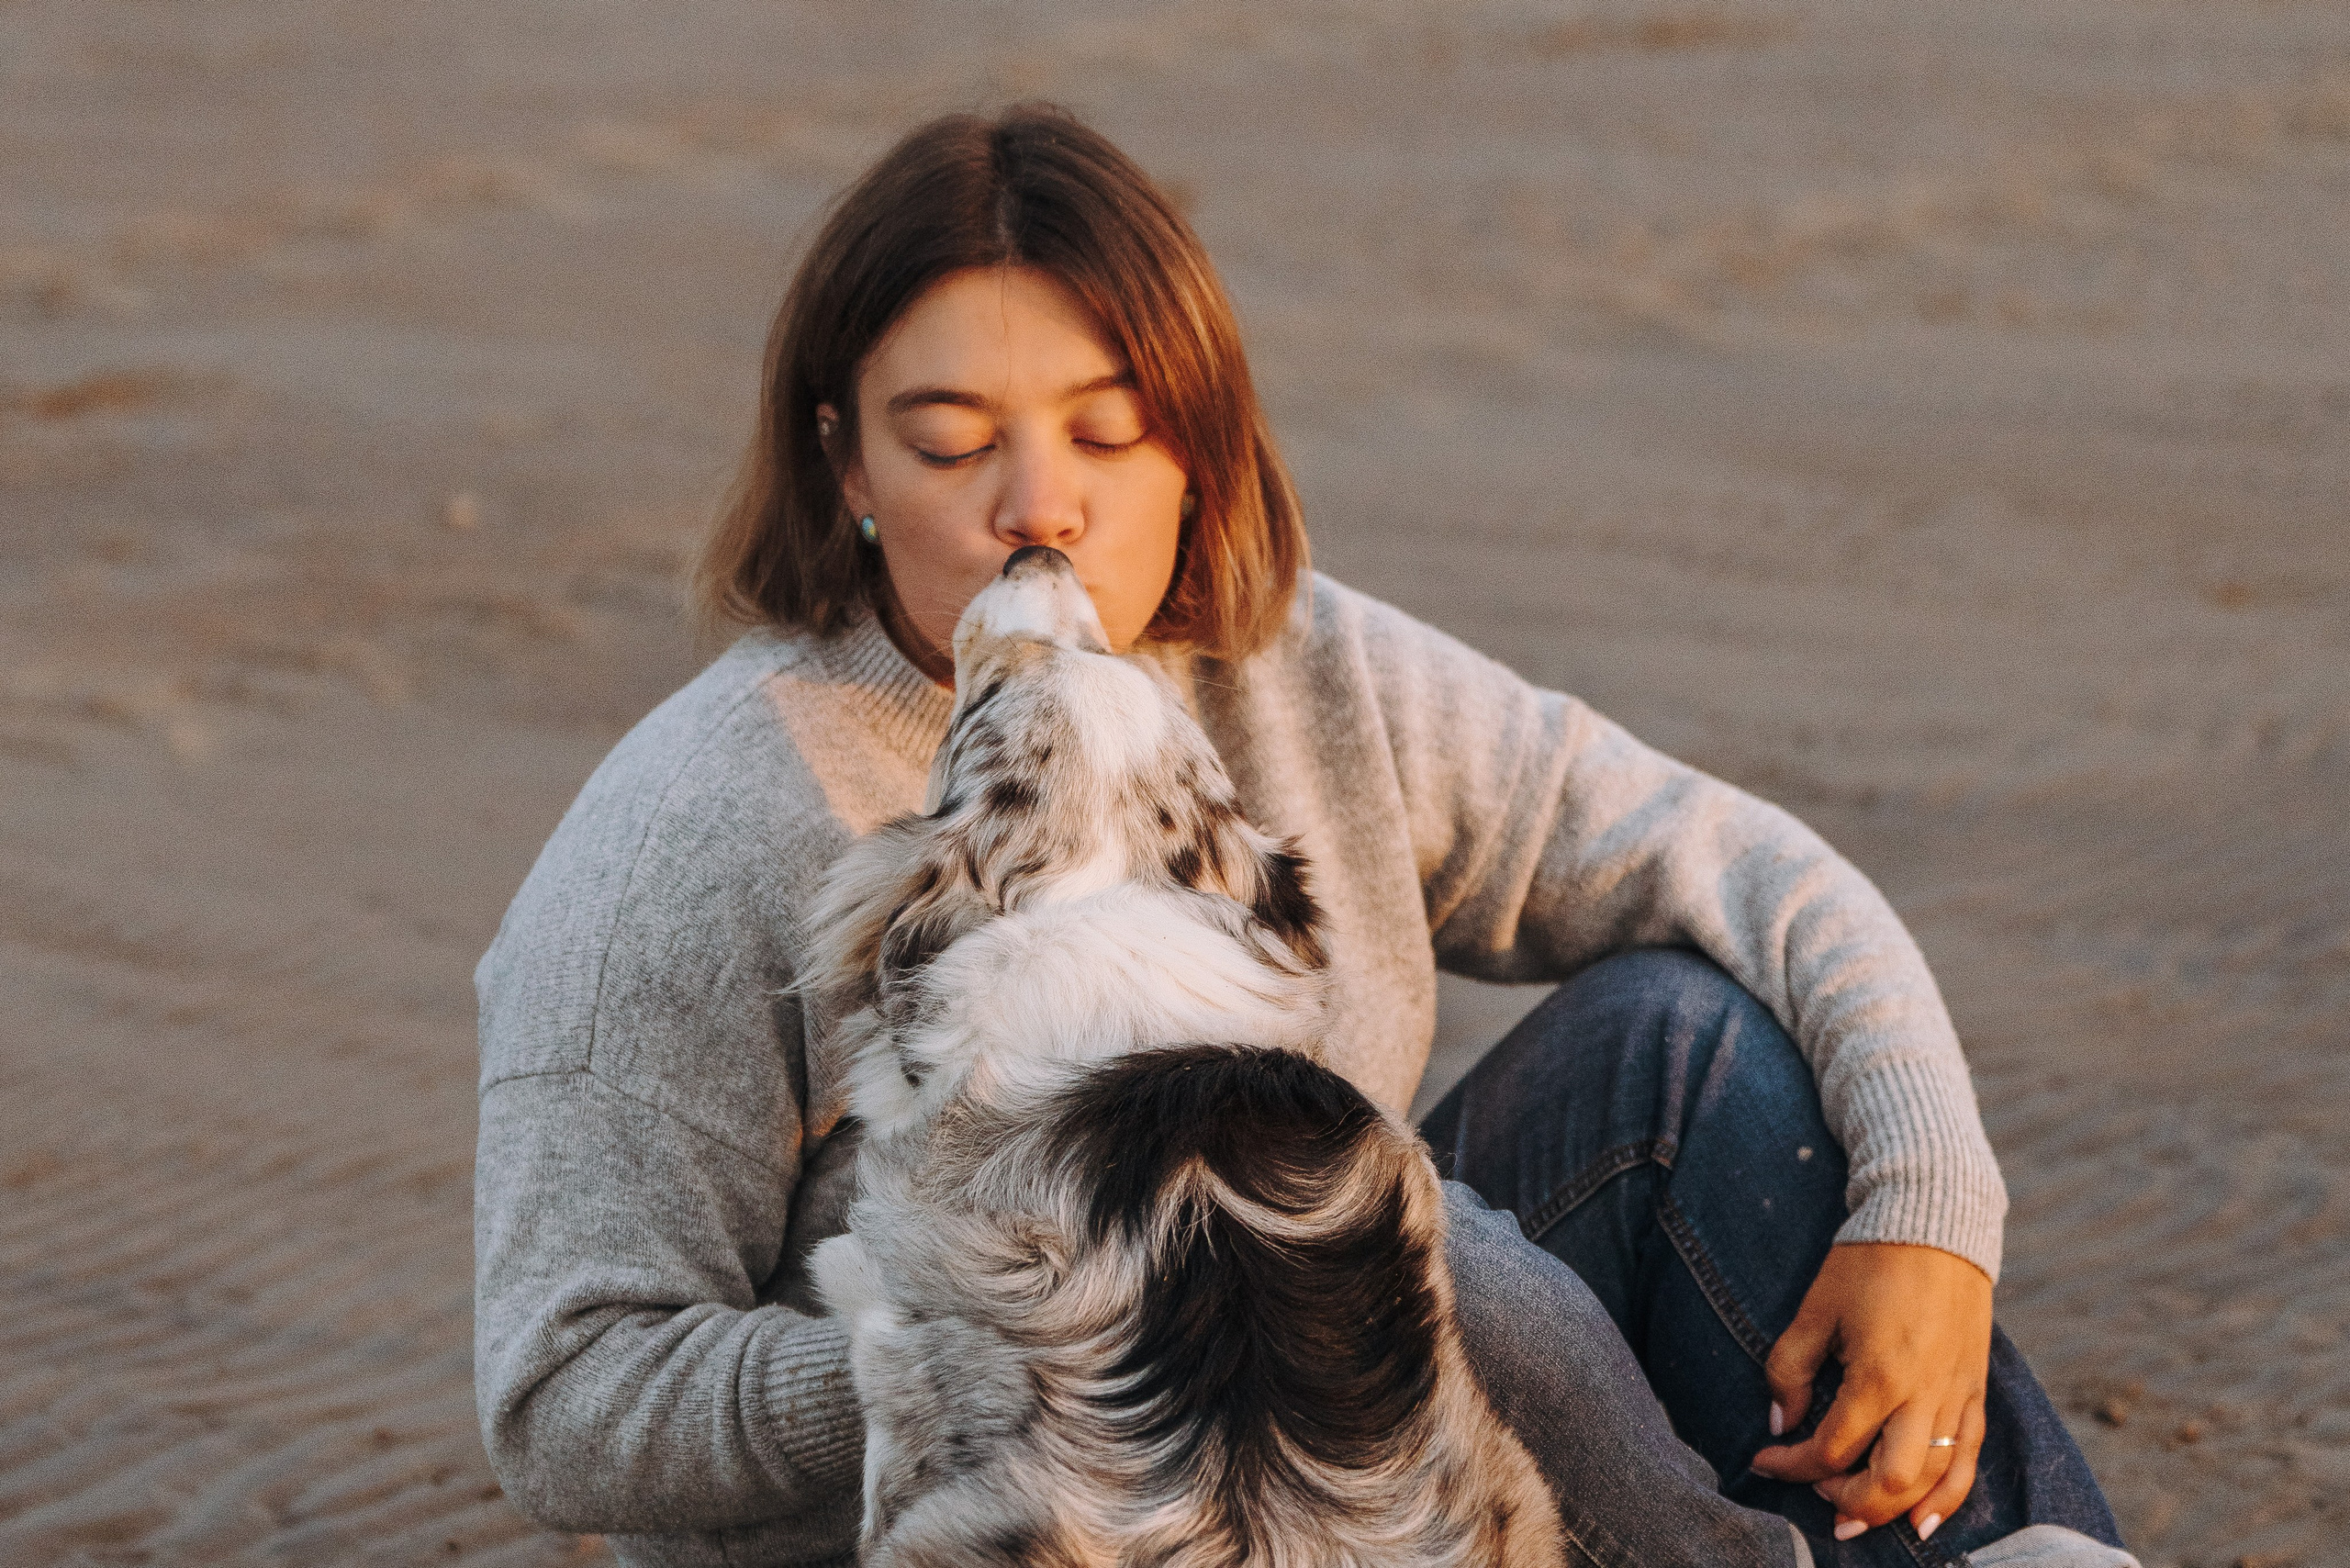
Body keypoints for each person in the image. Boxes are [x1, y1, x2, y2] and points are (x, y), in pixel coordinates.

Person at [472, 104, 2134, 1568]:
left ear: (1196, 449)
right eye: (951, 440)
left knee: (1680, 1050)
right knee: (1407, 1246)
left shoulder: (1300, 664)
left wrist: (1929, 1209)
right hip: (986, 1522)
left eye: (1107, 430)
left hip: (1340, 1473)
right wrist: (1027, 1337)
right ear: (843, 460)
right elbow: (562, 1399)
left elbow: (1749, 873)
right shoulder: (694, 834)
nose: (1040, 504)